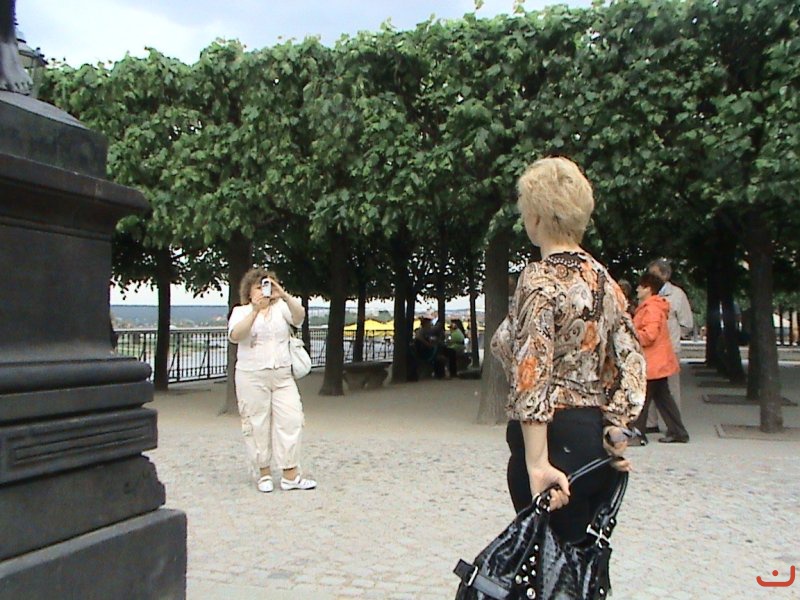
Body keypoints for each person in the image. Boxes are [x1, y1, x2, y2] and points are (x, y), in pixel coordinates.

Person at [491, 156, 646, 542]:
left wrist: (537, 463)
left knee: (545, 561)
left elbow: (532, 372)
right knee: (578, 562)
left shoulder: (539, 279)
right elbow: (629, 361)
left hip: (551, 443)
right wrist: (615, 427)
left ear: (536, 217)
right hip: (594, 445)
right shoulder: (604, 281)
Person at [228, 267, 317, 493]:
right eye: (258, 287)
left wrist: (283, 294)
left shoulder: (281, 309)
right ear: (249, 292)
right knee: (256, 423)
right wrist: (255, 311)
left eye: (266, 286)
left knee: (291, 419)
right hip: (251, 375)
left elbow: (299, 316)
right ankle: (264, 473)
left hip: (282, 375)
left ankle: (290, 474)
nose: (263, 291)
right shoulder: (241, 311)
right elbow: (236, 335)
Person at [631, 272, 691, 443]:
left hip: (653, 362)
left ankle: (637, 434)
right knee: (663, 399)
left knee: (643, 398)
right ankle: (678, 432)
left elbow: (649, 335)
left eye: (641, 286)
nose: (637, 289)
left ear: (648, 289)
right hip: (658, 362)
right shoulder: (654, 306)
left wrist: (631, 335)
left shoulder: (651, 308)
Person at [644, 258, 694, 433]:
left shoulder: (677, 295)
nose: (650, 277)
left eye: (654, 274)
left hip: (669, 350)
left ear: (665, 275)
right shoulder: (648, 294)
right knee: (650, 388)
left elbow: (687, 323)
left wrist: (672, 338)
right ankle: (651, 424)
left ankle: (673, 426)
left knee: (670, 390)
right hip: (650, 350)